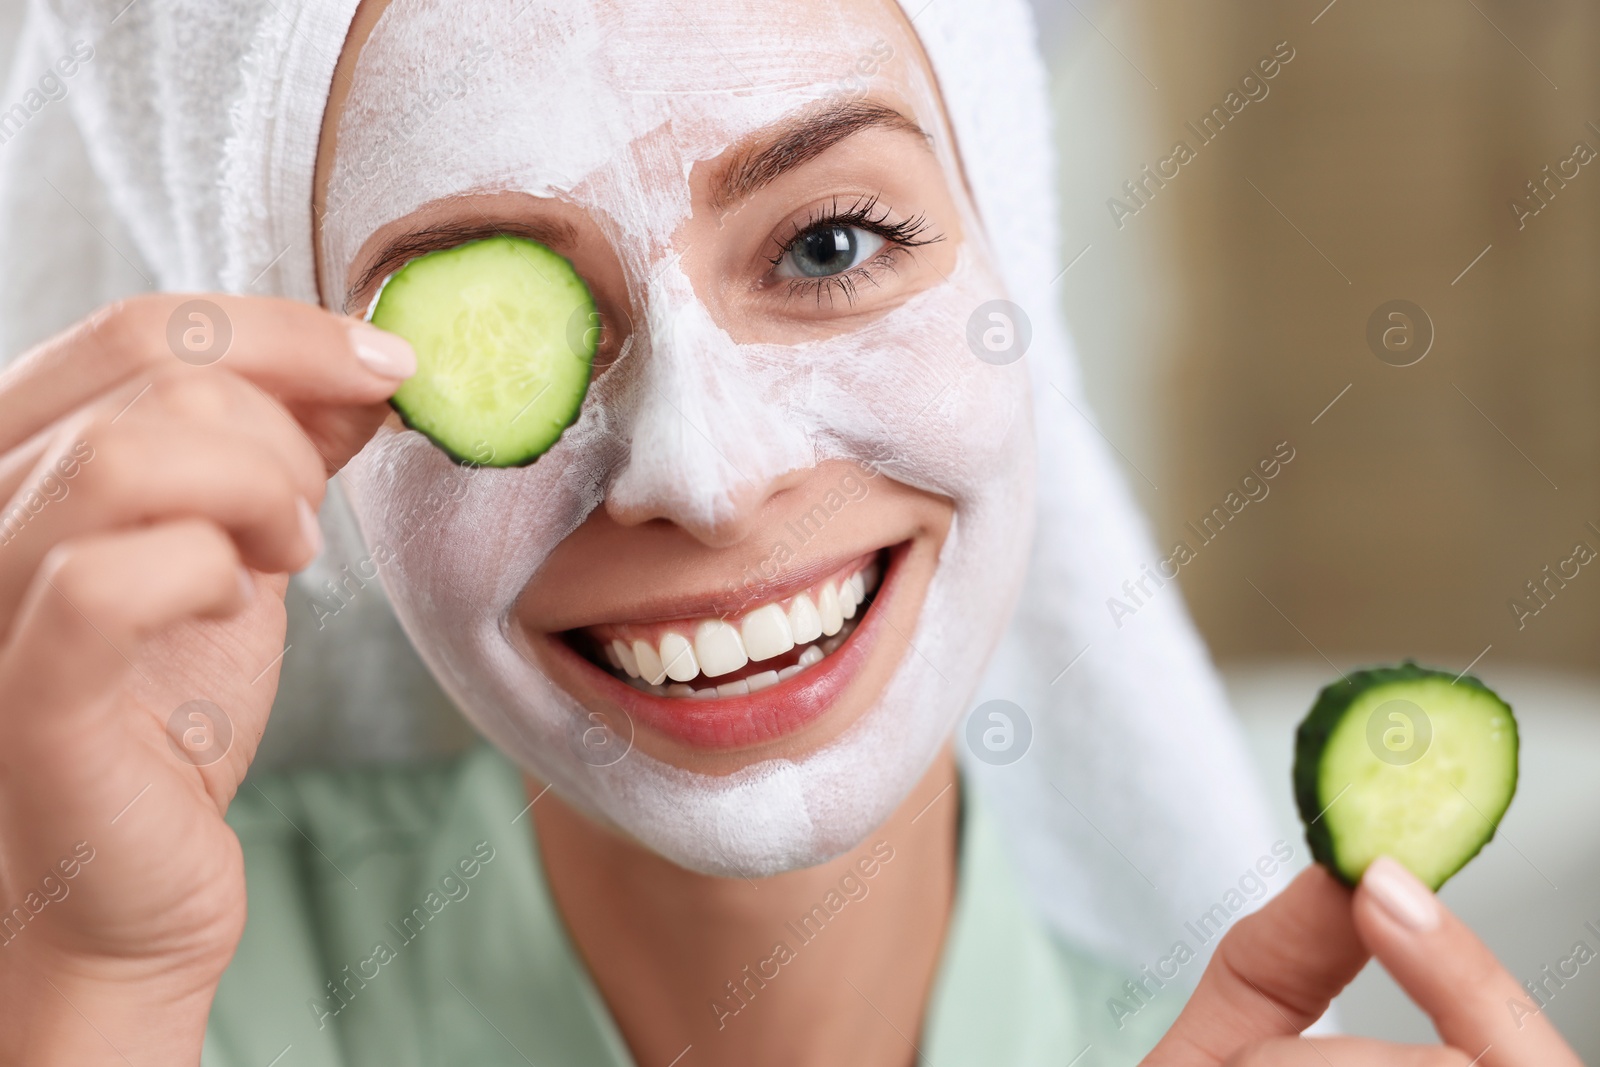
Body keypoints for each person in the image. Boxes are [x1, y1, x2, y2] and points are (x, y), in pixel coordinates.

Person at [0, 0, 1581, 1064]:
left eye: (831, 242)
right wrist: (94, 993)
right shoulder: (105, 963)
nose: (701, 470)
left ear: (1012, 265)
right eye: (485, 319)